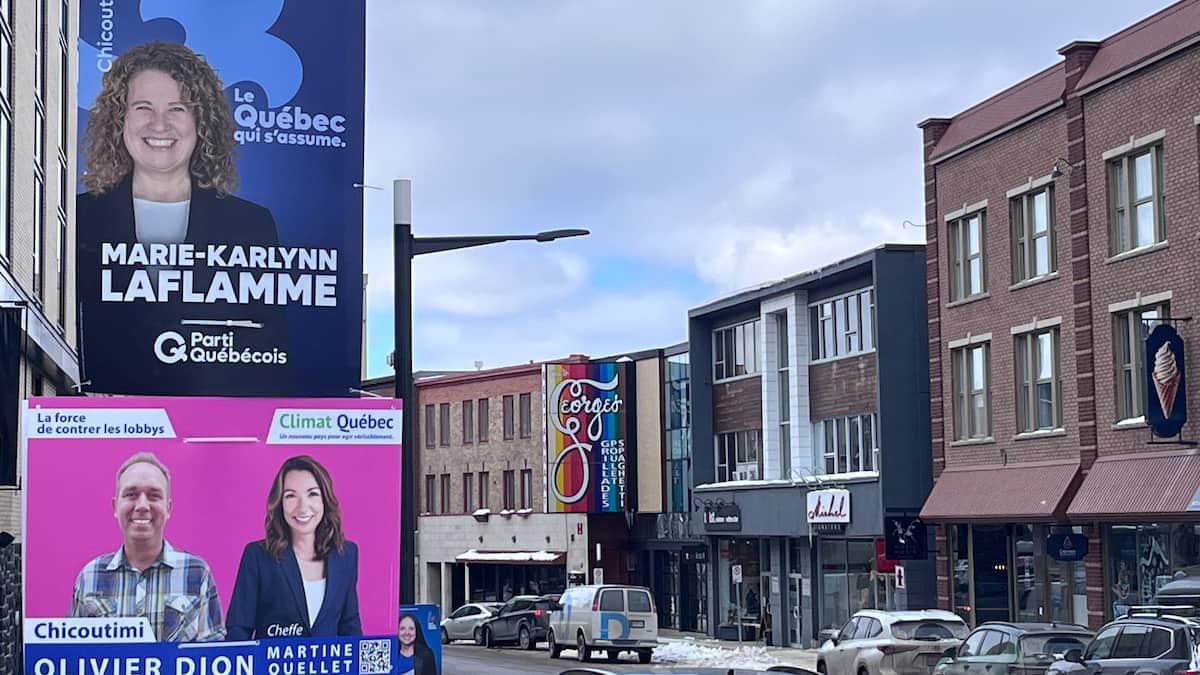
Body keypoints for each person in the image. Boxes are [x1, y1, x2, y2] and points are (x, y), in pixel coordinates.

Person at [76, 40, 290, 396]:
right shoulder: (78, 218)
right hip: (105, 430)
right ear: (120, 118)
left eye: (177, 108)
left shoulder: (250, 225)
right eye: (143, 107)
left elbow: (273, 357)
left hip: (211, 433)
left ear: (200, 122)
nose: (159, 124)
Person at [71, 452, 225, 642]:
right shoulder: (90, 576)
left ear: (168, 508)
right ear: (115, 506)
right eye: (131, 495)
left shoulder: (197, 573)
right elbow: (75, 656)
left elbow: (213, 657)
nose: (142, 505)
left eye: (153, 495)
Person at [226, 455, 361, 639]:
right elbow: (238, 629)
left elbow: (350, 626)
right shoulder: (257, 555)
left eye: (312, 494)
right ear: (279, 503)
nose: (302, 507)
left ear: (325, 499)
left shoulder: (346, 554)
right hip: (272, 667)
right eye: (291, 496)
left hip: (328, 667)